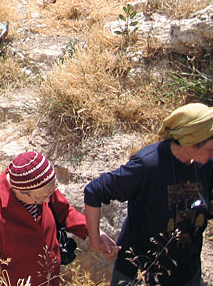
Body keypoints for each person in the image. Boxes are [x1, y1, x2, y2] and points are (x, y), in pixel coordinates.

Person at [84, 103, 213, 286]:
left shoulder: (206, 164)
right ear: (191, 143)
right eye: (211, 148)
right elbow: (94, 191)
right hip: (139, 272)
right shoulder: (148, 165)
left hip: (187, 272)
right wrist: (95, 238)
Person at [0, 152, 90, 286]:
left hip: (50, 278)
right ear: (19, 191)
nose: (48, 200)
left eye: (50, 194)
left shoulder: (41, 186)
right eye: (40, 199)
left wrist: (94, 233)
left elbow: (65, 212)